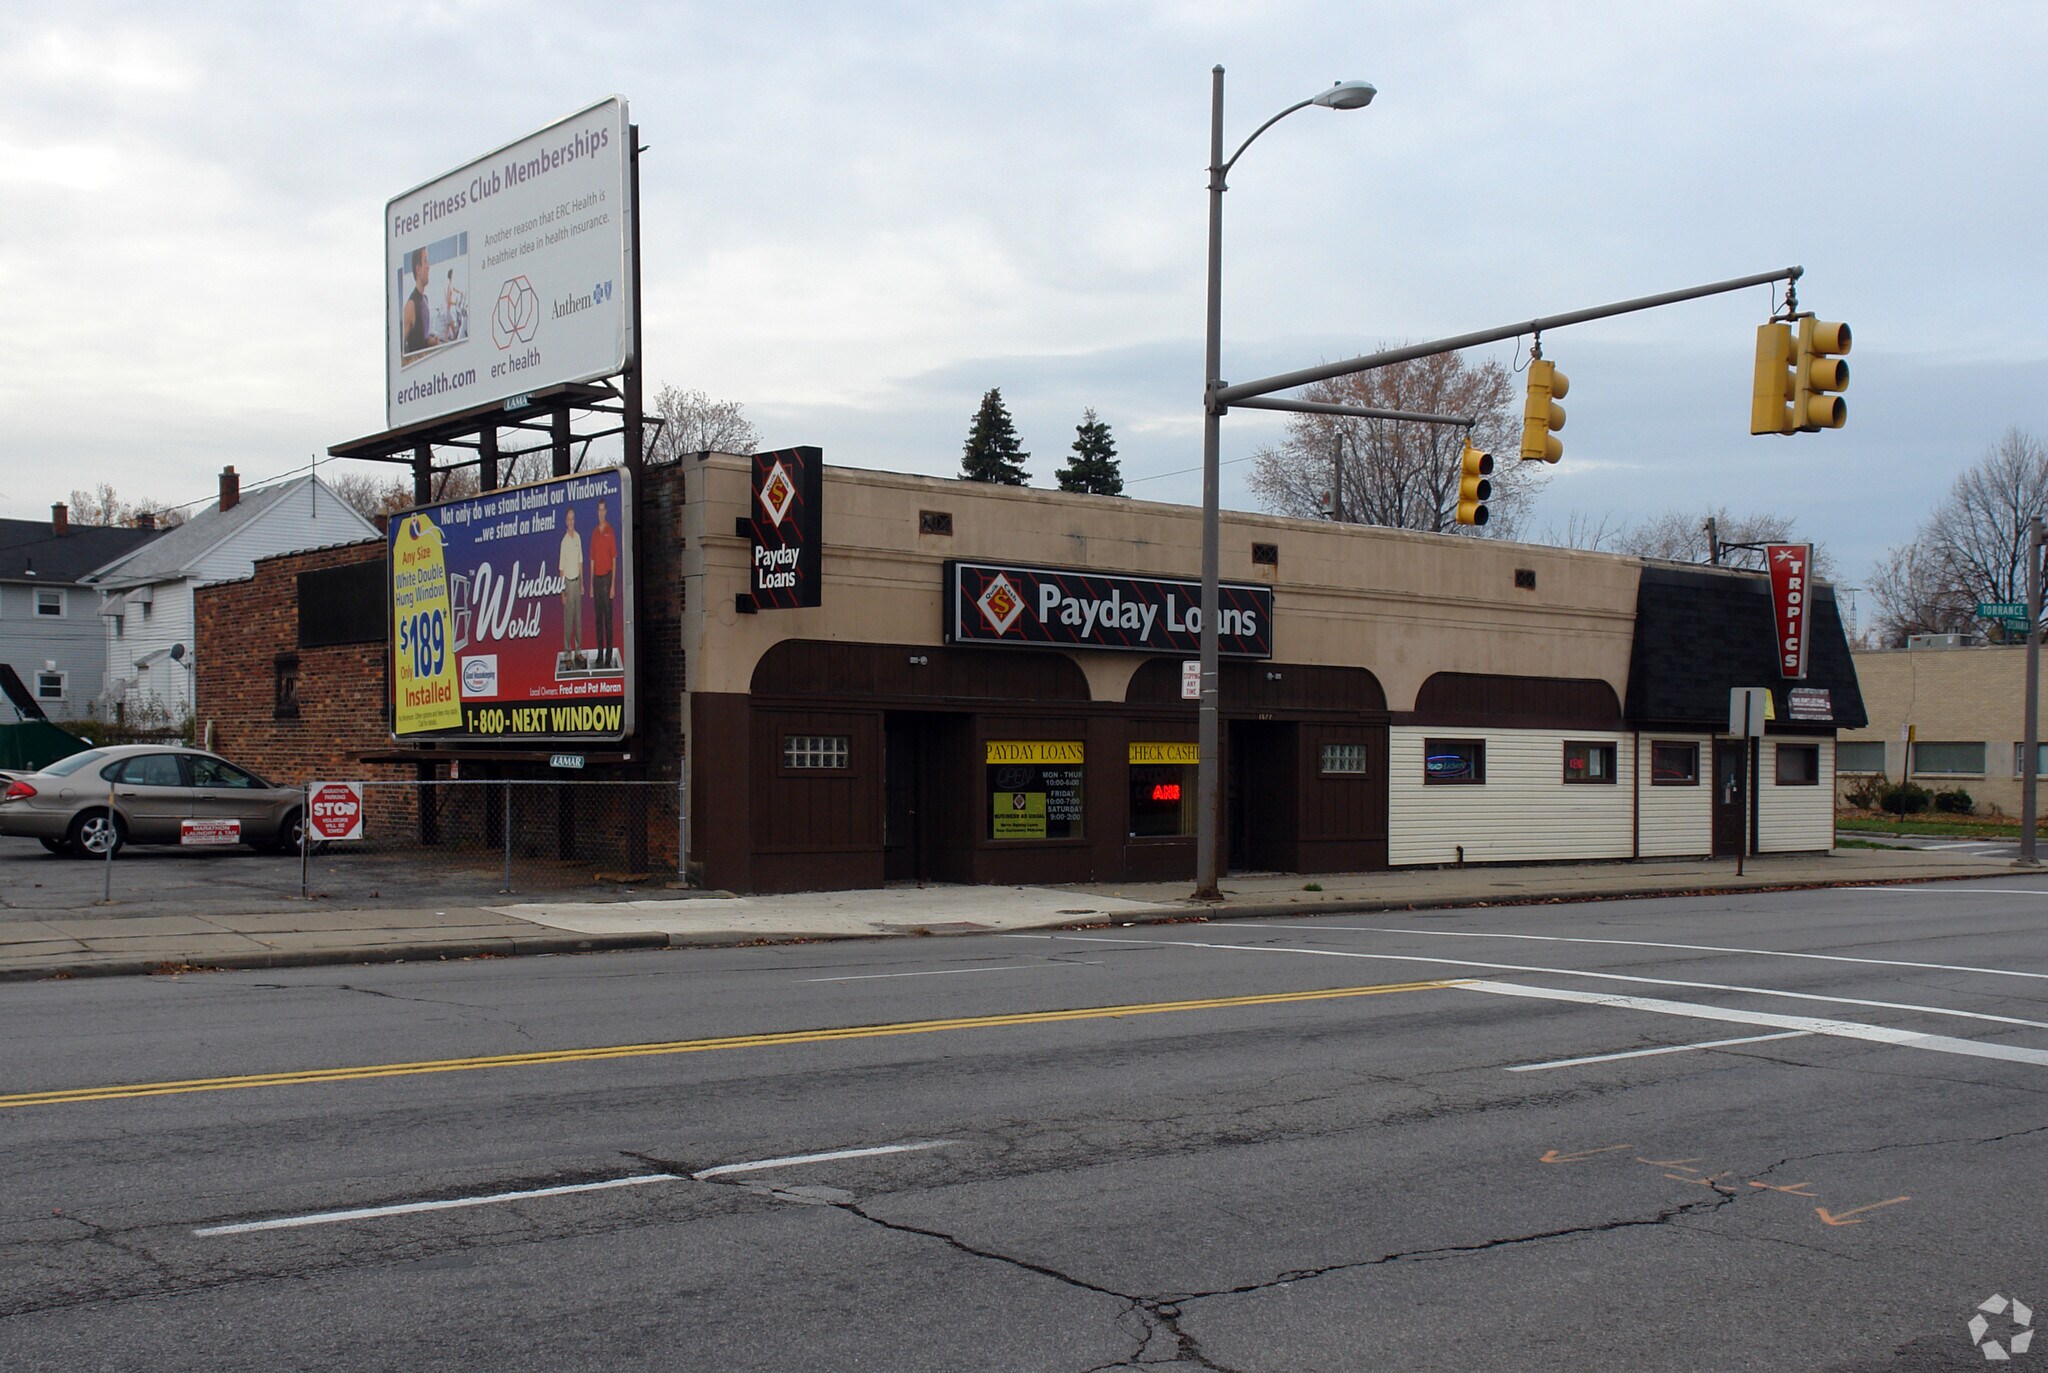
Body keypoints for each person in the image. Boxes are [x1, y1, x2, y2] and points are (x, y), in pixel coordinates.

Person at [589, 500, 619, 669]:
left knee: (608, 619)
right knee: (598, 620)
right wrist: (591, 585)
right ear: (597, 512)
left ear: (606, 512)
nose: (601, 513)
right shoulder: (594, 533)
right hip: (597, 579)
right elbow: (591, 560)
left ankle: (608, 656)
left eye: (603, 510)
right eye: (598, 510)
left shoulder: (610, 531)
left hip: (607, 578)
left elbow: (614, 560)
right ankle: (599, 655)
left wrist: (613, 585)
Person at [558, 507, 584, 669]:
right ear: (565, 522)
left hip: (577, 582)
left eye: (573, 518)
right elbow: (561, 568)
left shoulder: (578, 538)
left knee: (578, 619)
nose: (571, 522)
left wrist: (582, 583)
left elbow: (580, 561)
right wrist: (562, 591)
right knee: (568, 621)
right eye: (568, 519)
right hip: (567, 583)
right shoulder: (564, 542)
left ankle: (578, 651)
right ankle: (567, 654)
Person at [401, 248, 435, 356]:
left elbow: (422, 338)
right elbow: (399, 351)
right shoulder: (410, 306)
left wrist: (432, 342)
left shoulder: (425, 299)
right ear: (418, 269)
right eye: (425, 261)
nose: (429, 266)